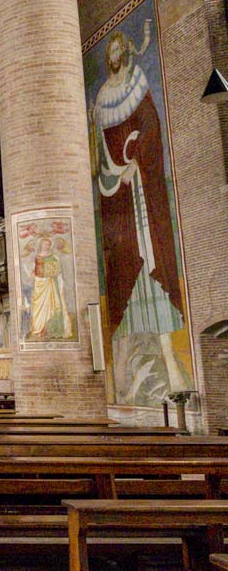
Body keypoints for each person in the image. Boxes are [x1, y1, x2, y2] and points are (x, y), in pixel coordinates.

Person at [90, 22, 189, 396]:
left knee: (152, 254)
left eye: (120, 51)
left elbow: (150, 123)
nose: (116, 57)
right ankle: (133, 365)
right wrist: (113, 168)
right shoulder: (101, 96)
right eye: (111, 53)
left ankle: (168, 360)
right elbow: (99, 150)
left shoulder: (138, 82)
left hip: (141, 185)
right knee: (125, 263)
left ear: (126, 53)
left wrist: (136, 158)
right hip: (116, 193)